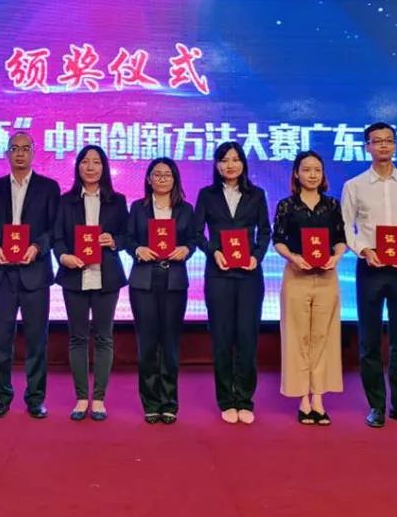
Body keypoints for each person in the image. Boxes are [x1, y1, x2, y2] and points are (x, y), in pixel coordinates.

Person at [340, 122, 397, 428]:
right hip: (371, 267)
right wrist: (364, 250)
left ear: (395, 145)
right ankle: (376, 406)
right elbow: (346, 226)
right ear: (366, 146)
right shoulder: (355, 185)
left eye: (389, 141)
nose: (383, 145)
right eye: (376, 141)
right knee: (369, 340)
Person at [0, 132, 60, 420]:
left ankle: (35, 399)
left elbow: (54, 228)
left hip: (34, 273)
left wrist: (37, 247)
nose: (19, 153)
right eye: (14, 149)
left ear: (33, 153)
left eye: (25, 148)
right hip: (3, 274)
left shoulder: (48, 187)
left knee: (36, 341)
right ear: (6, 153)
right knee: (0, 341)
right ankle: (1, 398)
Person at [194, 141, 271, 425]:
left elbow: (265, 232)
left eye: (235, 159)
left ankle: (245, 400)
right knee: (222, 339)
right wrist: (213, 251)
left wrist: (256, 257)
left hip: (249, 275)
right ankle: (226, 399)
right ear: (216, 165)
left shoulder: (256, 194)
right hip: (219, 275)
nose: (230, 165)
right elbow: (196, 233)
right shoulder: (207, 195)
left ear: (243, 164)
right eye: (224, 160)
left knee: (247, 339)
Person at [53, 145, 129, 421]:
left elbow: (128, 236)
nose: (90, 167)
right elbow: (58, 237)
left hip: (106, 276)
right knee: (77, 337)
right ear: (78, 167)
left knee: (104, 337)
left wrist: (114, 241)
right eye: (85, 161)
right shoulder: (66, 201)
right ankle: (81, 397)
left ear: (104, 167)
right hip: (75, 275)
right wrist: (64, 256)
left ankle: (98, 398)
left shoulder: (117, 201)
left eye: (96, 162)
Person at [272, 151, 346, 425]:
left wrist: (336, 257)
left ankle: (319, 398)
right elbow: (278, 239)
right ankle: (303, 398)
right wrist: (293, 257)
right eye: (306, 169)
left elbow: (341, 239)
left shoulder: (332, 205)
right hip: (296, 275)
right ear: (296, 173)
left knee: (323, 337)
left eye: (317, 169)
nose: (312, 174)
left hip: (326, 277)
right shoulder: (286, 206)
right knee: (297, 336)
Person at [126, 158, 196, 424]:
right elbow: (127, 238)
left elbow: (193, 238)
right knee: (147, 343)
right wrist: (137, 249)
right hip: (144, 280)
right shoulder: (138, 208)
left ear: (175, 179)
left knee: (170, 343)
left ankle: (169, 402)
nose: (162, 178)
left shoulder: (185, 209)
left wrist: (186, 249)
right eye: (157, 174)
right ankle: (150, 402)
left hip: (174, 280)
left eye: (167, 174)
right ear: (149, 179)